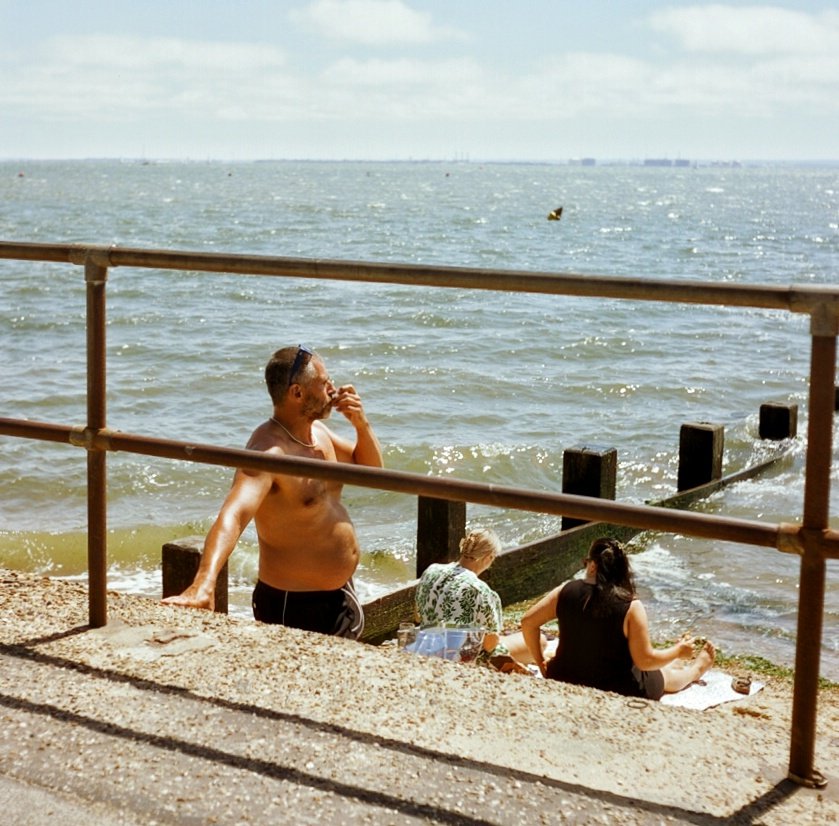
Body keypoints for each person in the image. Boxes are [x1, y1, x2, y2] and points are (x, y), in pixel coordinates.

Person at [163, 345, 383, 639]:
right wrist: (203, 584)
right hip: (294, 606)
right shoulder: (269, 450)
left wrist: (361, 423)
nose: (333, 389)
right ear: (297, 393)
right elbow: (235, 514)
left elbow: (373, 473)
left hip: (340, 595)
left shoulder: (317, 433)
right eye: (324, 382)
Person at [520, 537, 715, 699]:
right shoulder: (631, 606)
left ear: (592, 565)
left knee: (655, 664)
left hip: (564, 676)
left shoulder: (564, 591)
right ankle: (694, 670)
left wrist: (540, 661)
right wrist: (677, 651)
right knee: (663, 674)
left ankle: (676, 656)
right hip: (618, 688)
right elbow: (645, 661)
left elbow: (528, 622)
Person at [414, 528, 539, 673]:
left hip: (425, 648)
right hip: (460, 659)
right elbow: (490, 645)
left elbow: (418, 616)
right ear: (488, 557)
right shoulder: (481, 591)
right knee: (540, 641)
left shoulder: (431, 571)